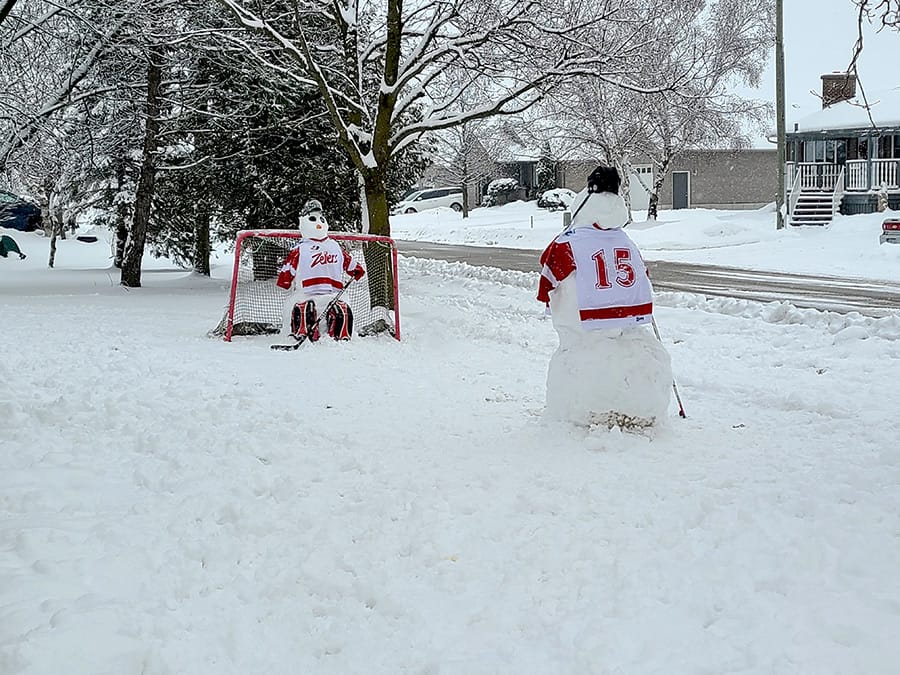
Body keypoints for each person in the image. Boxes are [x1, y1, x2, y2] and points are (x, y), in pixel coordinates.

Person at [537, 166, 672, 430]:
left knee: (584, 359)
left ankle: (588, 409)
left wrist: (549, 299)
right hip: (629, 323)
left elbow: (548, 281)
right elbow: (643, 275)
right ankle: (641, 406)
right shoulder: (625, 241)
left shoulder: (567, 243)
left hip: (585, 331)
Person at [275, 202, 365, 341]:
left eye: (321, 219)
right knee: (303, 307)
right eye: (312, 219)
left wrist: (356, 270)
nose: (318, 223)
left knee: (342, 309)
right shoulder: (302, 248)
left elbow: (349, 262)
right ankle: (304, 330)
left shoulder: (334, 246)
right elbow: (288, 271)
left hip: (333, 293)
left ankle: (339, 332)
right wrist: (285, 281)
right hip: (307, 292)